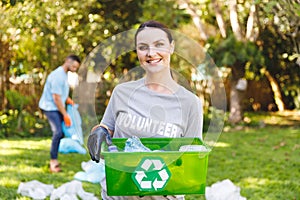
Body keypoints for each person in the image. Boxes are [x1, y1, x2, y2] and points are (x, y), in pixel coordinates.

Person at [88, 20, 203, 200]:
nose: (151, 53)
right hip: (119, 194)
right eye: (143, 47)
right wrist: (99, 132)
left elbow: (191, 157)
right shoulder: (122, 92)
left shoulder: (190, 103)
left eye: (159, 45)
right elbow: (106, 129)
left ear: (171, 47)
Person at [39, 54, 81, 173]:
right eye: (73, 66)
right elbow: (56, 98)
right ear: (67, 61)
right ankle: (53, 162)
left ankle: (54, 157)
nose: (74, 69)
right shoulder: (58, 76)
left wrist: (68, 100)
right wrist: (65, 115)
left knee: (60, 133)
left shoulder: (64, 75)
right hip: (50, 107)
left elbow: (61, 94)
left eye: (76, 68)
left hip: (56, 106)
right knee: (58, 132)